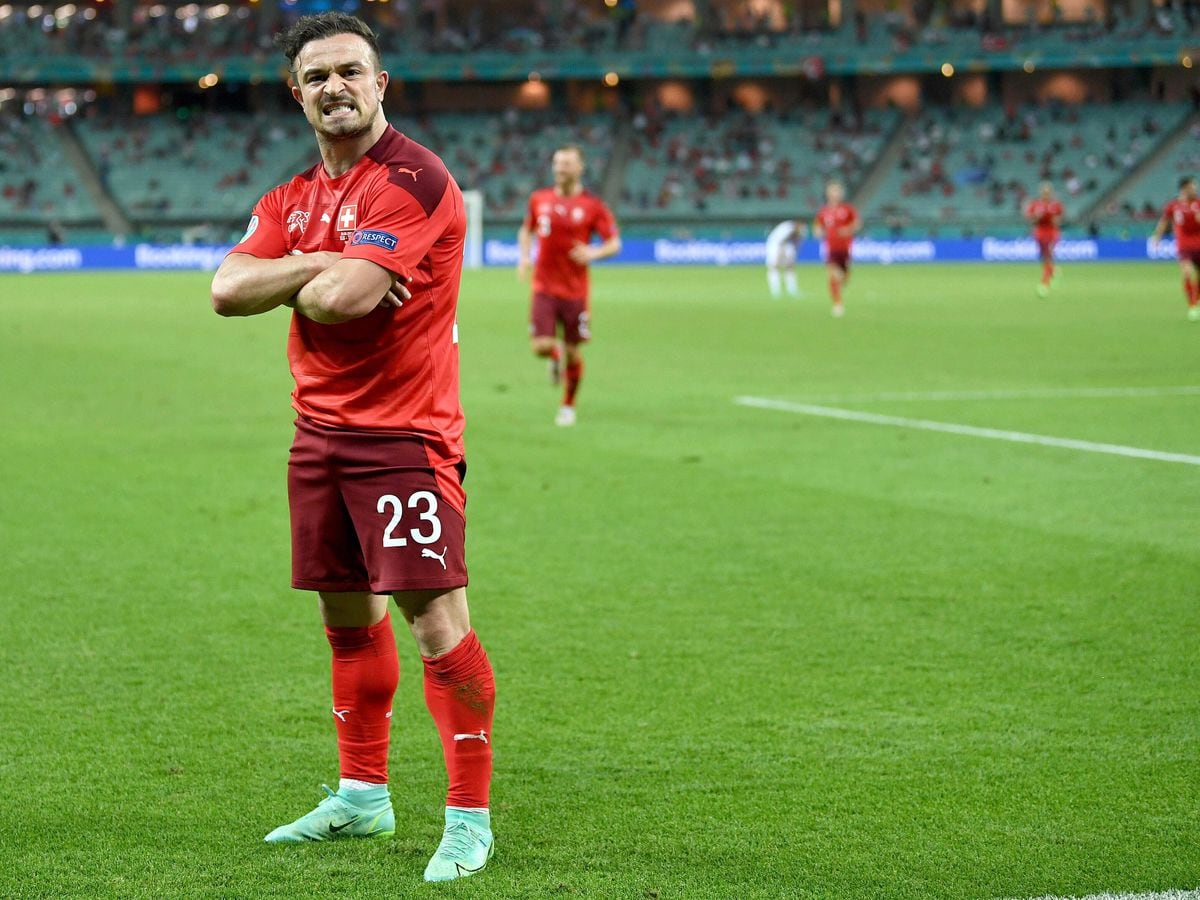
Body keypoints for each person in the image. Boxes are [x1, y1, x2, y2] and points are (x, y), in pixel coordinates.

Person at [208, 13, 496, 882]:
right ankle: (363, 797)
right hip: (318, 436)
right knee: (344, 620)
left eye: (351, 70)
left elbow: (339, 301)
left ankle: (469, 819)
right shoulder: (291, 196)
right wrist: (316, 260)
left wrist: (297, 269)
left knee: (437, 624)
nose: (336, 86)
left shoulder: (413, 178)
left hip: (403, 438)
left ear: (380, 84)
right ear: (296, 94)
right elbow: (226, 288)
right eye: (318, 76)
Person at [517, 145, 621, 426]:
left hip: (575, 292)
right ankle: (554, 355)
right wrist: (525, 257)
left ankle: (568, 405)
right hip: (544, 288)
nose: (560, 168)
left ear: (580, 168)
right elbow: (526, 230)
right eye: (557, 163)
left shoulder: (593, 206)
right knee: (540, 346)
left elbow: (614, 242)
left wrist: (593, 253)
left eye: (566, 164)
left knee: (575, 352)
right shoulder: (539, 199)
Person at [1150, 175, 1200, 321]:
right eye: (1192, 186)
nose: (1195, 189)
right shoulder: (1173, 205)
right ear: (1184, 188)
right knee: (1186, 273)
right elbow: (1164, 221)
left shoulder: (1198, 203)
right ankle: (1192, 305)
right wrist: (1157, 237)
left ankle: (1196, 300)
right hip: (1184, 245)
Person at [812, 180, 859, 317]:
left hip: (845, 248)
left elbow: (857, 223)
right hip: (831, 248)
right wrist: (818, 232)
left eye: (838, 191)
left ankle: (843, 281)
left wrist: (847, 229)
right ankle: (837, 304)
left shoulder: (847, 209)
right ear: (828, 193)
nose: (835, 194)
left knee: (844, 276)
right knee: (833, 274)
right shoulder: (824, 212)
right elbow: (817, 228)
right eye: (833, 191)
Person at [1025, 181, 1063, 297]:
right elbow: (1030, 220)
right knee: (1044, 257)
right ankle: (1053, 271)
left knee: (1049, 254)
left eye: (1048, 192)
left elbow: (1058, 221)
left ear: (1050, 192)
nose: (1046, 194)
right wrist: (1037, 218)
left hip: (1052, 232)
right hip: (1040, 232)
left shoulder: (1056, 205)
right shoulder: (1035, 204)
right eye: (1044, 192)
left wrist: (1053, 219)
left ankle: (1044, 284)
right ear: (1041, 192)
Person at [764, 218, 806, 299]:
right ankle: (775, 291)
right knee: (774, 266)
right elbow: (780, 241)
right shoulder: (787, 227)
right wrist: (781, 254)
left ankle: (792, 290)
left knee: (790, 266)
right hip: (775, 244)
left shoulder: (798, 230)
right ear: (797, 224)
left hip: (787, 244)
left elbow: (798, 241)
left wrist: (793, 253)